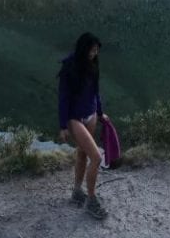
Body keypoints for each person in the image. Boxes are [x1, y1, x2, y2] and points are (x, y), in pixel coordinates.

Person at [58, 32, 109, 219]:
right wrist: (63, 126)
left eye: (96, 51)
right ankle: (91, 201)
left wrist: (100, 112)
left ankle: (77, 192)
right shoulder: (69, 67)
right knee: (96, 157)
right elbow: (63, 98)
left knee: (82, 154)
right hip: (75, 119)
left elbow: (96, 91)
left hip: (91, 114)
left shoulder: (93, 64)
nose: (94, 54)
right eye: (92, 50)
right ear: (83, 48)